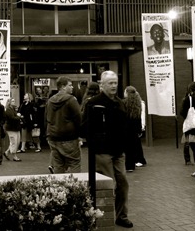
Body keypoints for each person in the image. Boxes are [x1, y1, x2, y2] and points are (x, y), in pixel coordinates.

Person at [81, 71, 133, 228]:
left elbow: (125, 126)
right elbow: (85, 128)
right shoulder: (94, 103)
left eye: (115, 82)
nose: (114, 86)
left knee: (123, 184)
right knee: (107, 185)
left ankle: (121, 215)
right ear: (102, 84)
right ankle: (104, 216)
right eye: (110, 83)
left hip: (119, 151)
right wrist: (95, 141)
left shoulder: (120, 103)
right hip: (102, 151)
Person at [45, 76, 82, 174]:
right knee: (74, 163)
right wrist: (80, 135)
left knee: (58, 165)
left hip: (53, 137)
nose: (72, 87)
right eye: (70, 85)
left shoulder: (50, 101)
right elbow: (79, 118)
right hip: (69, 138)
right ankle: (76, 187)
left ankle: (60, 187)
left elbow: (47, 118)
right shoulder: (71, 100)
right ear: (63, 86)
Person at [123, 86, 147, 171]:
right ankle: (132, 165)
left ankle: (129, 165)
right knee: (133, 146)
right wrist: (140, 129)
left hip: (126, 128)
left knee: (127, 147)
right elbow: (138, 118)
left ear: (127, 93)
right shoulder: (138, 104)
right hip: (134, 128)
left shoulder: (123, 103)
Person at [3, 98, 22, 162]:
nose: (14, 102)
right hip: (11, 128)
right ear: (9, 102)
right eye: (12, 101)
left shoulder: (13, 109)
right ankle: (14, 156)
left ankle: (7, 152)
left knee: (17, 141)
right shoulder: (8, 110)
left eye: (14, 101)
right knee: (14, 142)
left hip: (16, 128)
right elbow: (12, 118)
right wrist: (19, 117)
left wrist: (17, 116)